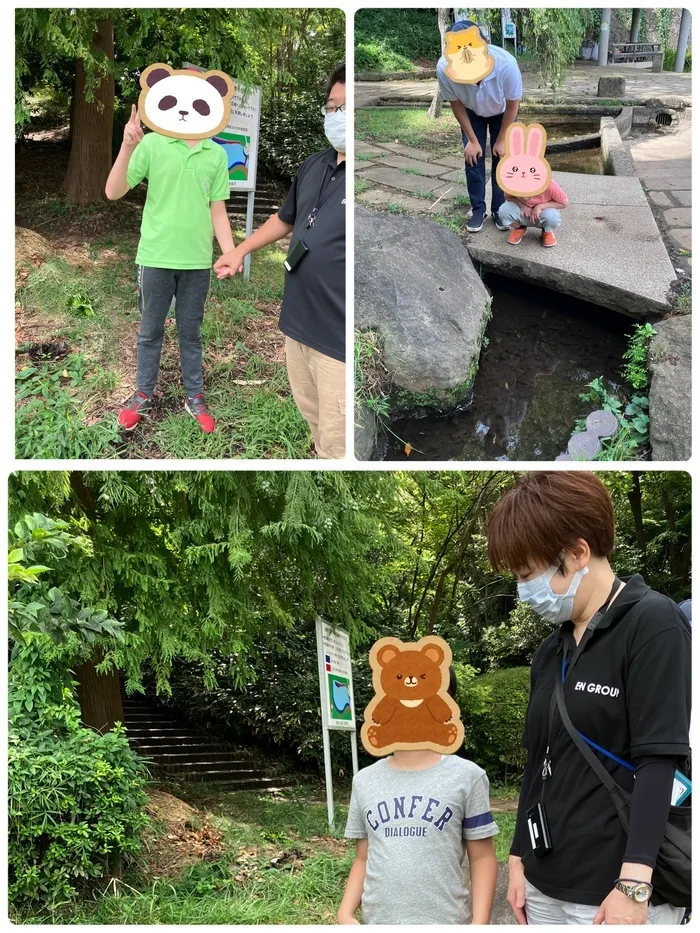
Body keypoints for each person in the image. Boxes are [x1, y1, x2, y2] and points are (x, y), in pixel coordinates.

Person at [486, 471, 691, 925]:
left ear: (578, 553)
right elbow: (536, 762)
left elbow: (660, 761)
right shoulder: (550, 650)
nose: (523, 593)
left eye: (527, 574)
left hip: (612, 894)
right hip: (542, 886)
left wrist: (633, 885)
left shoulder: (653, 624)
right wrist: (518, 857)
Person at [214, 64, 346, 459]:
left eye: (347, 108)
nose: (338, 116)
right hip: (298, 326)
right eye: (332, 107)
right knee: (314, 420)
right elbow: (285, 218)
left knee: (339, 443)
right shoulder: (315, 164)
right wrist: (238, 250)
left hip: (337, 341)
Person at [106, 102, 234, 435]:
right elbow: (113, 191)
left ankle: (195, 396)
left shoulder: (215, 154)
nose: (186, 109)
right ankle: (143, 394)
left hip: (196, 262)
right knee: (150, 331)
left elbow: (217, 211)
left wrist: (231, 252)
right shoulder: (153, 143)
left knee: (190, 333)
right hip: (155, 258)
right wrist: (127, 144)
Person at [337, 667, 499, 925]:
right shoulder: (364, 781)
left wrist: (479, 924)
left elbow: (482, 857)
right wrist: (344, 913)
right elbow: (363, 856)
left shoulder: (468, 777)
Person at [436, 20, 522, 233]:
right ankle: (478, 210)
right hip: (471, 111)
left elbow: (513, 104)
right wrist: (473, 141)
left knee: (503, 159)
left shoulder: (506, 65)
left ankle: (500, 209)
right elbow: (456, 104)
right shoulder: (444, 69)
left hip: (502, 111)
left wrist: (502, 140)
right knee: (473, 157)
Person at [498, 180, 569, 248]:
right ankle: (519, 228)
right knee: (504, 210)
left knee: (552, 217)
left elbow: (564, 204)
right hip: (524, 212)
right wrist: (522, 204)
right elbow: (508, 197)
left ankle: (547, 231)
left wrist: (540, 207)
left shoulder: (550, 185)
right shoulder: (514, 183)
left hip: (543, 212)